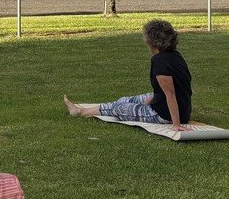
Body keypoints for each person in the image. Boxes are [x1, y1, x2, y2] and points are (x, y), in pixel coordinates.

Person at [63, 19, 192, 136]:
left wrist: (176, 125)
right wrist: (144, 104)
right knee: (125, 100)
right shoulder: (175, 56)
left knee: (120, 108)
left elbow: (170, 93)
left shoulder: (159, 61)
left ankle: (80, 112)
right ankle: (87, 110)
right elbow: (165, 90)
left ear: (152, 41)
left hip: (164, 115)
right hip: (179, 108)